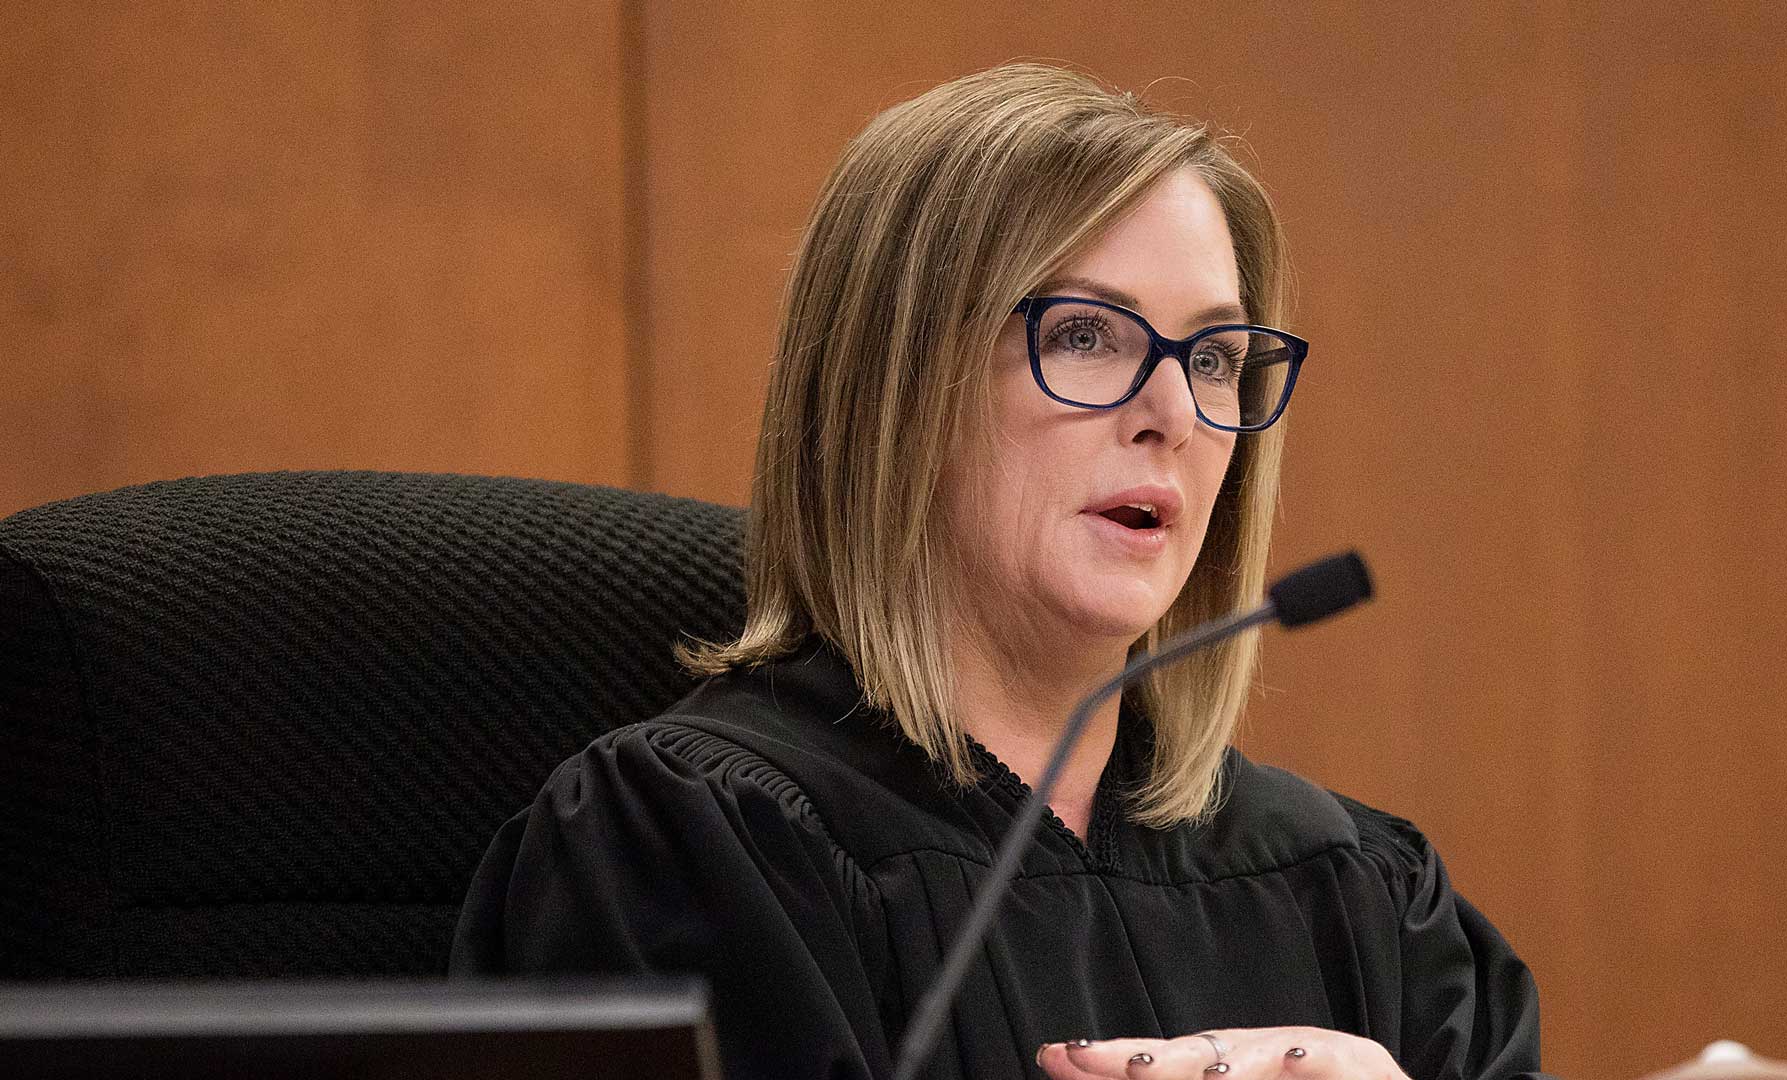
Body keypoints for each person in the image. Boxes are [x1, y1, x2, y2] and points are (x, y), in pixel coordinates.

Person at [450, 63, 1549, 1080]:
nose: (1173, 413)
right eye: (1085, 336)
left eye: (1213, 356)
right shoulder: (692, 851)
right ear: (895, 385)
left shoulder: (1358, 893)